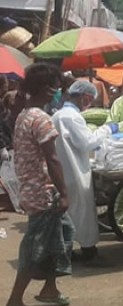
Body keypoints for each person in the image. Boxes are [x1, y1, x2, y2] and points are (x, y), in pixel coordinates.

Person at [6, 63, 72, 306]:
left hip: (33, 189)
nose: (58, 92)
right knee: (36, 246)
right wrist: (64, 193)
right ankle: (15, 299)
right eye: (57, 88)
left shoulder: (24, 114)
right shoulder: (40, 118)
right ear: (47, 89)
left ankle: (50, 289)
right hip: (43, 193)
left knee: (62, 235)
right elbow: (52, 159)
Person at [51, 81, 117, 262]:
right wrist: (107, 129)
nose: (89, 104)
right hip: (75, 172)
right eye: (89, 100)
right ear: (83, 97)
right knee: (84, 214)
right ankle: (90, 253)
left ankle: (67, 251)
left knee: (69, 215)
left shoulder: (57, 115)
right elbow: (87, 142)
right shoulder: (72, 117)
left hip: (64, 172)